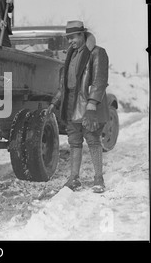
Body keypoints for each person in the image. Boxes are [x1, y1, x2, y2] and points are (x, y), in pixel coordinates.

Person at [46, 21, 110, 193]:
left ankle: (98, 179)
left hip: (88, 107)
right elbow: (64, 85)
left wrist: (91, 106)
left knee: (93, 140)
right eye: (68, 38)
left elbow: (99, 82)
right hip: (71, 106)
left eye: (73, 37)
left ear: (82, 34)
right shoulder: (70, 56)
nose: (70, 41)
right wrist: (54, 102)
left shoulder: (97, 53)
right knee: (74, 143)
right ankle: (74, 178)